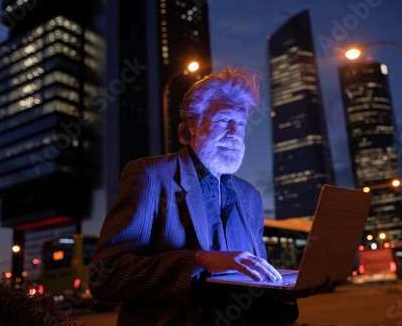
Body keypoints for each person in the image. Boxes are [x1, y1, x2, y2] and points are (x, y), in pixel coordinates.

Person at [89, 67, 321, 325]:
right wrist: (200, 261)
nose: (234, 131)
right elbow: (104, 275)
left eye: (241, 123)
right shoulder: (150, 175)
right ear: (193, 124)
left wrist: (287, 291)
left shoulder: (251, 196)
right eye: (223, 119)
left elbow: (257, 288)